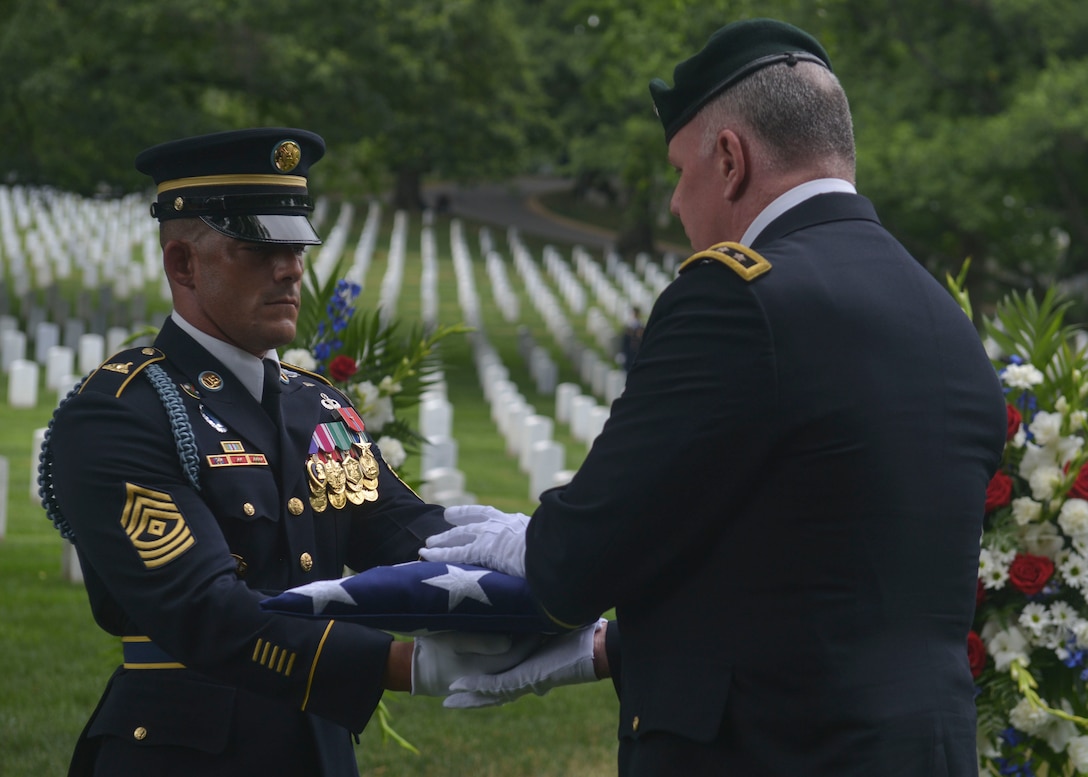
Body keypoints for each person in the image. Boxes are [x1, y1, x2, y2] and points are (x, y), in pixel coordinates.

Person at [421, 18, 1009, 776]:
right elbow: (819, 582)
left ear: (729, 159)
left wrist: (523, 545)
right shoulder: (945, 321)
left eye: (678, 170)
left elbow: (576, 564)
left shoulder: (737, 299)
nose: (672, 203)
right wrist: (608, 649)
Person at [38, 128, 539, 777]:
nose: (292, 268)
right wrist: (404, 665)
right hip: (186, 752)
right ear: (183, 264)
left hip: (317, 748)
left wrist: (535, 557)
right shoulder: (121, 411)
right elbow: (206, 612)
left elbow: (405, 532)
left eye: (297, 246)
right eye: (259, 247)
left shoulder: (317, 405)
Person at [618, 306, 644, 370]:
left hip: (636, 353)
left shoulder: (641, 326)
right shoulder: (628, 326)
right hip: (628, 352)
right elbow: (625, 341)